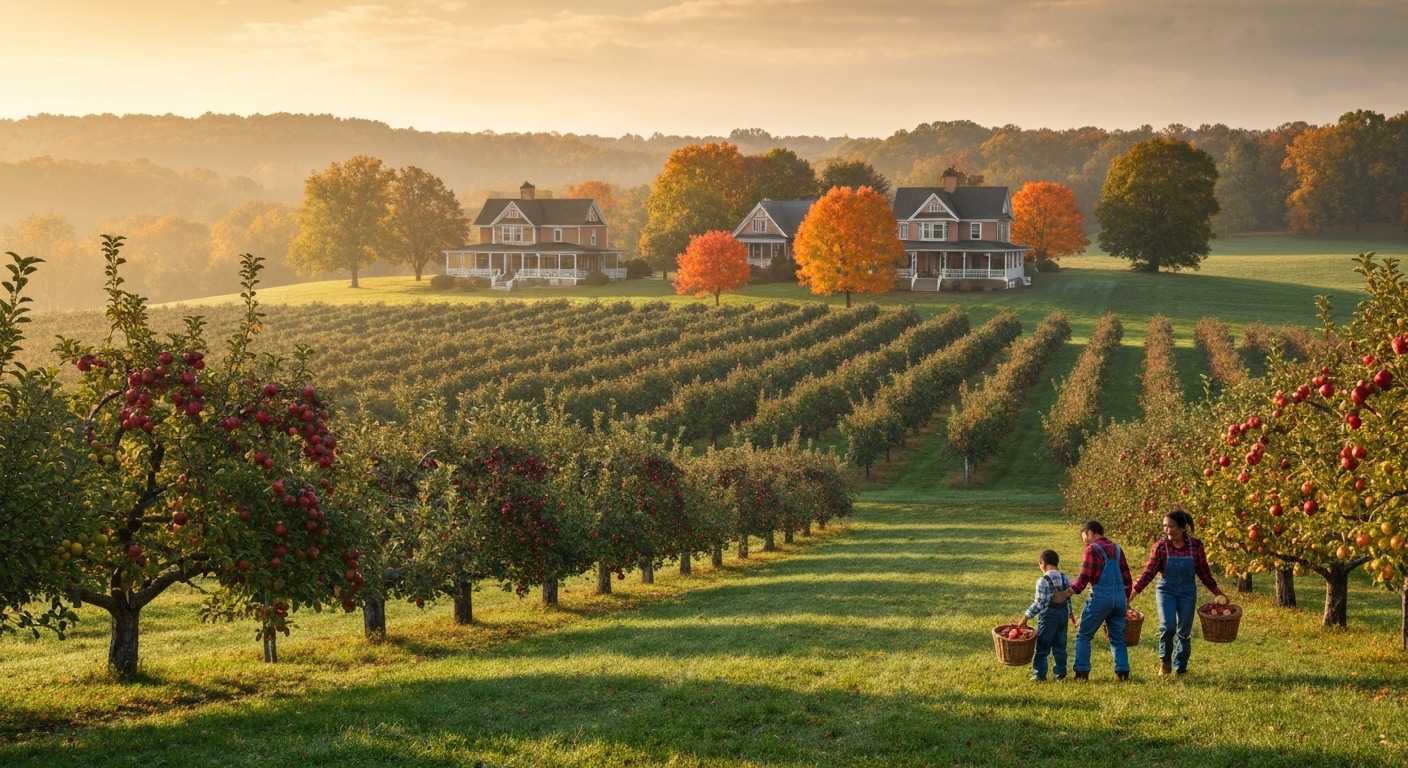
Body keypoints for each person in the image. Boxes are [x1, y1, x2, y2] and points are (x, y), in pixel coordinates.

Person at [1129, 509, 1225, 676]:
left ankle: (1181, 665)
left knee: (1184, 630)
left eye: (1171, 526)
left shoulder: (1195, 546)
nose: (1167, 530)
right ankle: (1165, 661)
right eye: (1165, 526)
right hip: (1166, 590)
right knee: (1168, 626)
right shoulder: (1161, 546)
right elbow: (1149, 572)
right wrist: (1134, 590)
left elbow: (1204, 572)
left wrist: (1217, 592)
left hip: (1187, 590)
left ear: (1182, 528)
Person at [1058, 520, 1133, 681]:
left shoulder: (1092, 549)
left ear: (1091, 533)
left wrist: (1068, 592)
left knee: (1084, 634)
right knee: (1117, 636)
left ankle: (1082, 671)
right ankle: (1123, 671)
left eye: (1084, 536)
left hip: (1101, 598)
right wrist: (1125, 600)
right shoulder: (1117, 549)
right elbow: (1127, 577)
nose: (1084, 540)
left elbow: (1084, 577)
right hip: (1119, 598)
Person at [1019, 549, 1072, 681]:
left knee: (1042, 646)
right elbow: (1067, 597)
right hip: (1063, 615)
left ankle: (1039, 673)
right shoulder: (1065, 578)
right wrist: (1070, 613)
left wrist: (1025, 617)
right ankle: (1060, 673)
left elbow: (1039, 604)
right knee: (1060, 645)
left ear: (1042, 563)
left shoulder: (1042, 581)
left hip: (1048, 617)